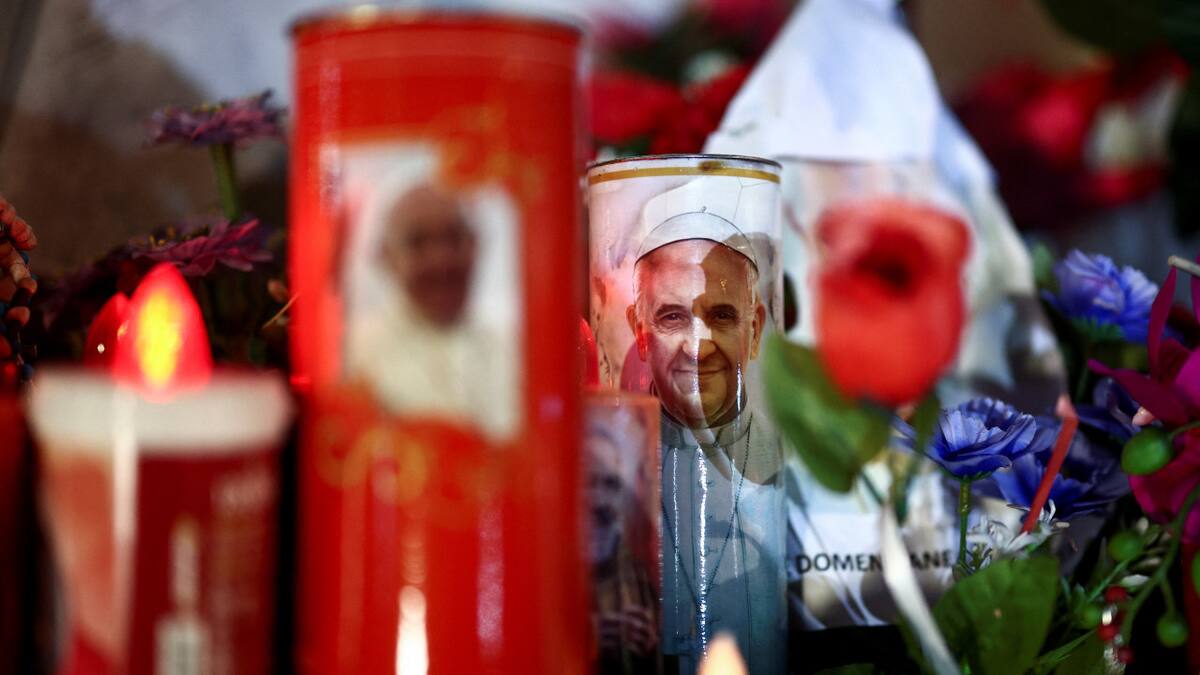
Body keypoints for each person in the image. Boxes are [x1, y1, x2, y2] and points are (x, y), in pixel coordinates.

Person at [625, 210, 786, 674]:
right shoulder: (610, 470)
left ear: (754, 329)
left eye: (721, 316)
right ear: (639, 329)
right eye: (673, 317)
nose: (700, 345)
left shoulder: (794, 458)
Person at [344, 181, 517, 439]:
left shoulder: (512, 348)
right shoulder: (356, 356)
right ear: (386, 257)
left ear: (475, 244)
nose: (441, 260)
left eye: (453, 237)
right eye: (418, 243)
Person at [586, 415, 659, 674]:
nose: (599, 501)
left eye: (611, 484)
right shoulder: (543, 576)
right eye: (587, 484)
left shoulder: (641, 576)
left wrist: (648, 642)